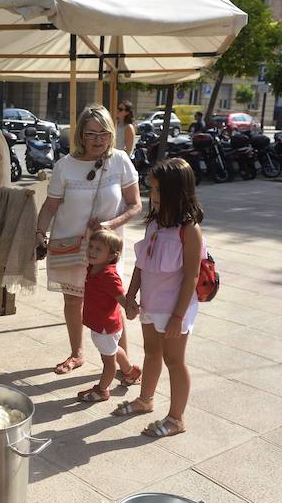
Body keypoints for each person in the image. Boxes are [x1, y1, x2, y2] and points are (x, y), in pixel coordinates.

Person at [35, 104, 141, 375]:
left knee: (112, 301)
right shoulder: (65, 166)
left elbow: (135, 205)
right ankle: (77, 354)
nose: (98, 140)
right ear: (81, 134)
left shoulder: (119, 161)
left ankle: (123, 362)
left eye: (104, 133)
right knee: (73, 300)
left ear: (111, 134)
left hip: (106, 250)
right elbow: (50, 206)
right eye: (91, 133)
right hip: (69, 245)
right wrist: (39, 234)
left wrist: (110, 224)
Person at [113, 157, 203, 438]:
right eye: (152, 188)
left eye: (159, 190)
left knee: (174, 361)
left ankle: (176, 418)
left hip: (175, 308)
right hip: (151, 303)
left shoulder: (189, 230)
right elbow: (142, 264)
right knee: (152, 352)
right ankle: (145, 400)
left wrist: (178, 316)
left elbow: (191, 277)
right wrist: (131, 295)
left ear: (178, 192)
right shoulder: (154, 224)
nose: (152, 195)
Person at [77, 229, 141, 402]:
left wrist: (130, 308)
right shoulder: (93, 267)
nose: (92, 251)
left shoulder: (109, 275)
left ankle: (102, 390)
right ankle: (130, 372)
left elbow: (122, 297)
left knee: (108, 362)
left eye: (98, 249)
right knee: (113, 350)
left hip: (105, 327)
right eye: (91, 246)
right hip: (103, 325)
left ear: (112, 255)